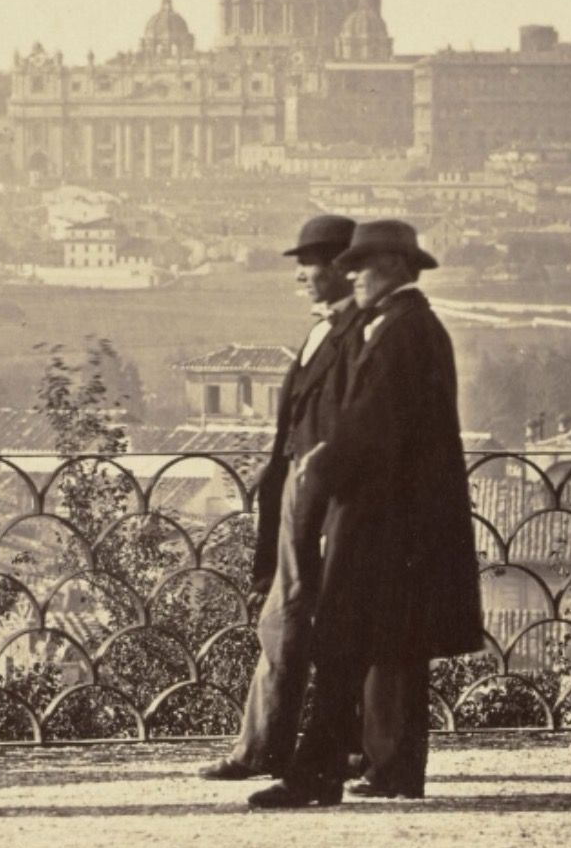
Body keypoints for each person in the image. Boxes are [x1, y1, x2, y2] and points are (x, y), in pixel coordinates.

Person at [248, 219, 489, 809]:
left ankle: (319, 775)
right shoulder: (397, 326)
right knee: (391, 646)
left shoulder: (405, 330)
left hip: (386, 518)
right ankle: (390, 770)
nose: (350, 273)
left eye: (364, 264)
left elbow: (374, 424)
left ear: (398, 269)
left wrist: (321, 468)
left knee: (345, 644)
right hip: (394, 516)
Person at [201, 213, 362, 782]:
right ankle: (266, 747)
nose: (302, 278)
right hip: (301, 493)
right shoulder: (327, 331)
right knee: (285, 621)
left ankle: (274, 749)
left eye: (310, 265)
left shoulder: (356, 334)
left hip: (324, 497)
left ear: (344, 268)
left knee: (297, 622)